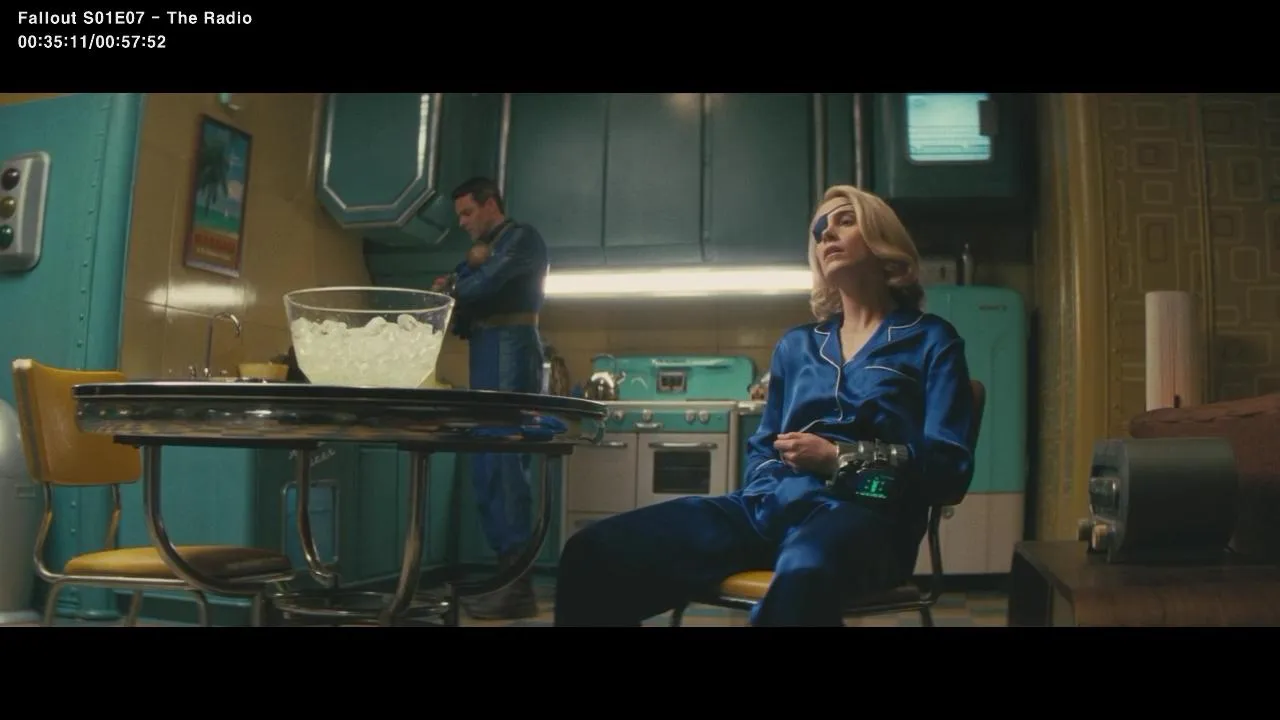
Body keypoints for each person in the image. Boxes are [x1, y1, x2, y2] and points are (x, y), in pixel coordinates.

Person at [554, 185, 976, 627]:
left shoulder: (932, 340)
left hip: (868, 519)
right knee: (594, 552)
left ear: (882, 238)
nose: (826, 234)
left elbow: (948, 468)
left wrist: (839, 459)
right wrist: (771, 493)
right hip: (767, 508)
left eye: (845, 221)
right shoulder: (797, 345)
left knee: (803, 571)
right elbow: (763, 446)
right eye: (820, 230)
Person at [432, 176, 549, 620]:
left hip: (510, 348)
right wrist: (459, 280)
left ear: (490, 204)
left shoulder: (522, 239)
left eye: (467, 213)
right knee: (488, 464)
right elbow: (461, 282)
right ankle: (508, 579)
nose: (462, 223)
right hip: (488, 349)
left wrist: (457, 285)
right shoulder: (490, 247)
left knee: (503, 462)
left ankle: (517, 585)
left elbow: (481, 285)